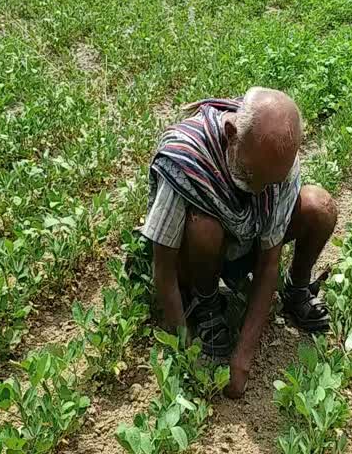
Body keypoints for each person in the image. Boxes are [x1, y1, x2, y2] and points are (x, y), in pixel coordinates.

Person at [141, 87, 337, 398]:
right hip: (196, 254)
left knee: (320, 207)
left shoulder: (278, 161)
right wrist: (183, 351)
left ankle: (297, 289)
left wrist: (242, 359)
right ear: (231, 134)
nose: (261, 190)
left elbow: (270, 262)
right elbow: (163, 267)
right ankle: (206, 304)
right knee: (205, 227)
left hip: (248, 244)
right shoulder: (186, 157)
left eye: (270, 183)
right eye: (253, 176)